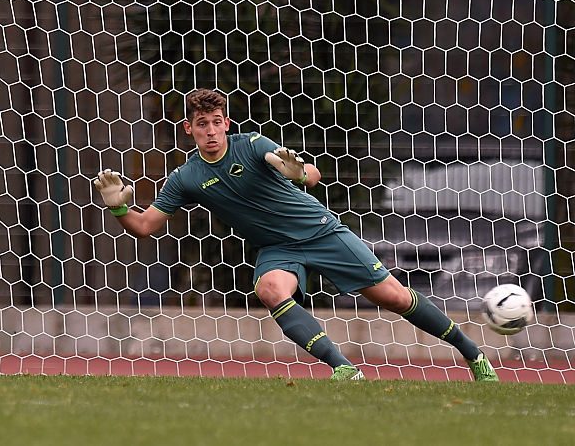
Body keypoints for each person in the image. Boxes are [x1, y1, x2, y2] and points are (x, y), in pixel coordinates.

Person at [94, 88, 498, 382]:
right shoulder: (186, 177)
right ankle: (344, 369)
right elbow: (144, 226)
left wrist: (297, 173)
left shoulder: (252, 145)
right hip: (277, 248)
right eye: (203, 125)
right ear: (189, 129)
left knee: (394, 297)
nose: (211, 131)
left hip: (320, 231)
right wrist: (117, 206)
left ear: (227, 123)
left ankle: (472, 353)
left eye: (217, 122)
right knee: (270, 289)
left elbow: (312, 175)